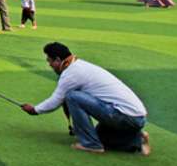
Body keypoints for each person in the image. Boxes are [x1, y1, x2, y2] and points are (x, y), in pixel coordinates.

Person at [20, 42, 150, 156]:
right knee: (99, 136)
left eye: (50, 61)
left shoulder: (71, 74)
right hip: (136, 116)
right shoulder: (80, 65)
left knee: (72, 96)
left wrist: (35, 110)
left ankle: (91, 145)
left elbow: (56, 101)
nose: (49, 65)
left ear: (58, 60)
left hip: (126, 116)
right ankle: (136, 139)